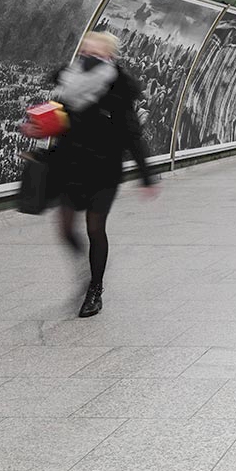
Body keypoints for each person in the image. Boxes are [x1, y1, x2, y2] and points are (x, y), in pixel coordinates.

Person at [46, 32, 157, 317]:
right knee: (66, 229)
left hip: (104, 168)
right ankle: (87, 269)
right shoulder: (69, 81)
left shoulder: (118, 89)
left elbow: (132, 133)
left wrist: (146, 175)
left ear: (109, 56)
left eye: (95, 52)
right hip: (70, 165)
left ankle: (95, 288)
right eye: (85, 50)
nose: (88, 56)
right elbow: (59, 119)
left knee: (95, 228)